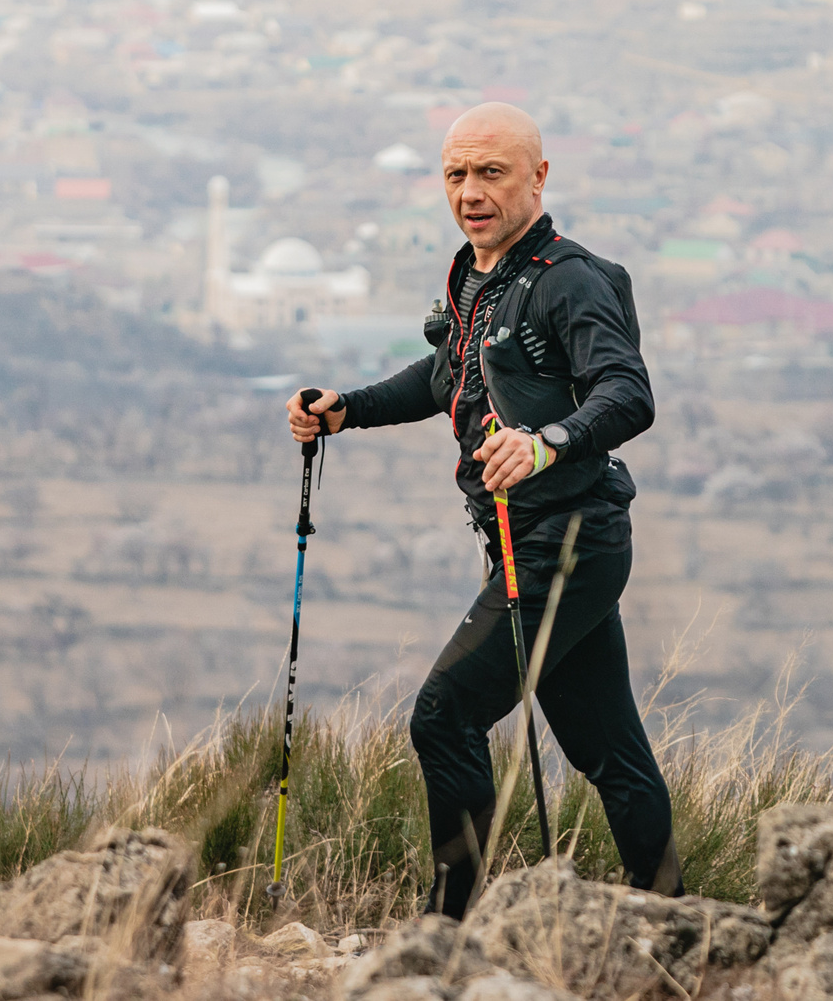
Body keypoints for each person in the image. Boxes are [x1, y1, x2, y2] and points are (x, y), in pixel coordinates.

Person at [286, 102, 675, 914]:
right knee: (608, 748)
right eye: (456, 173)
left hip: (568, 543)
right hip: (530, 540)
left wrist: (549, 440)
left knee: (443, 714)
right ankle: (676, 914)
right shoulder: (473, 274)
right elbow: (444, 380)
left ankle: (450, 923)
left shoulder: (569, 280)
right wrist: (344, 407)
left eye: (491, 172)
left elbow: (628, 393)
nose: (470, 191)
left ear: (538, 177)